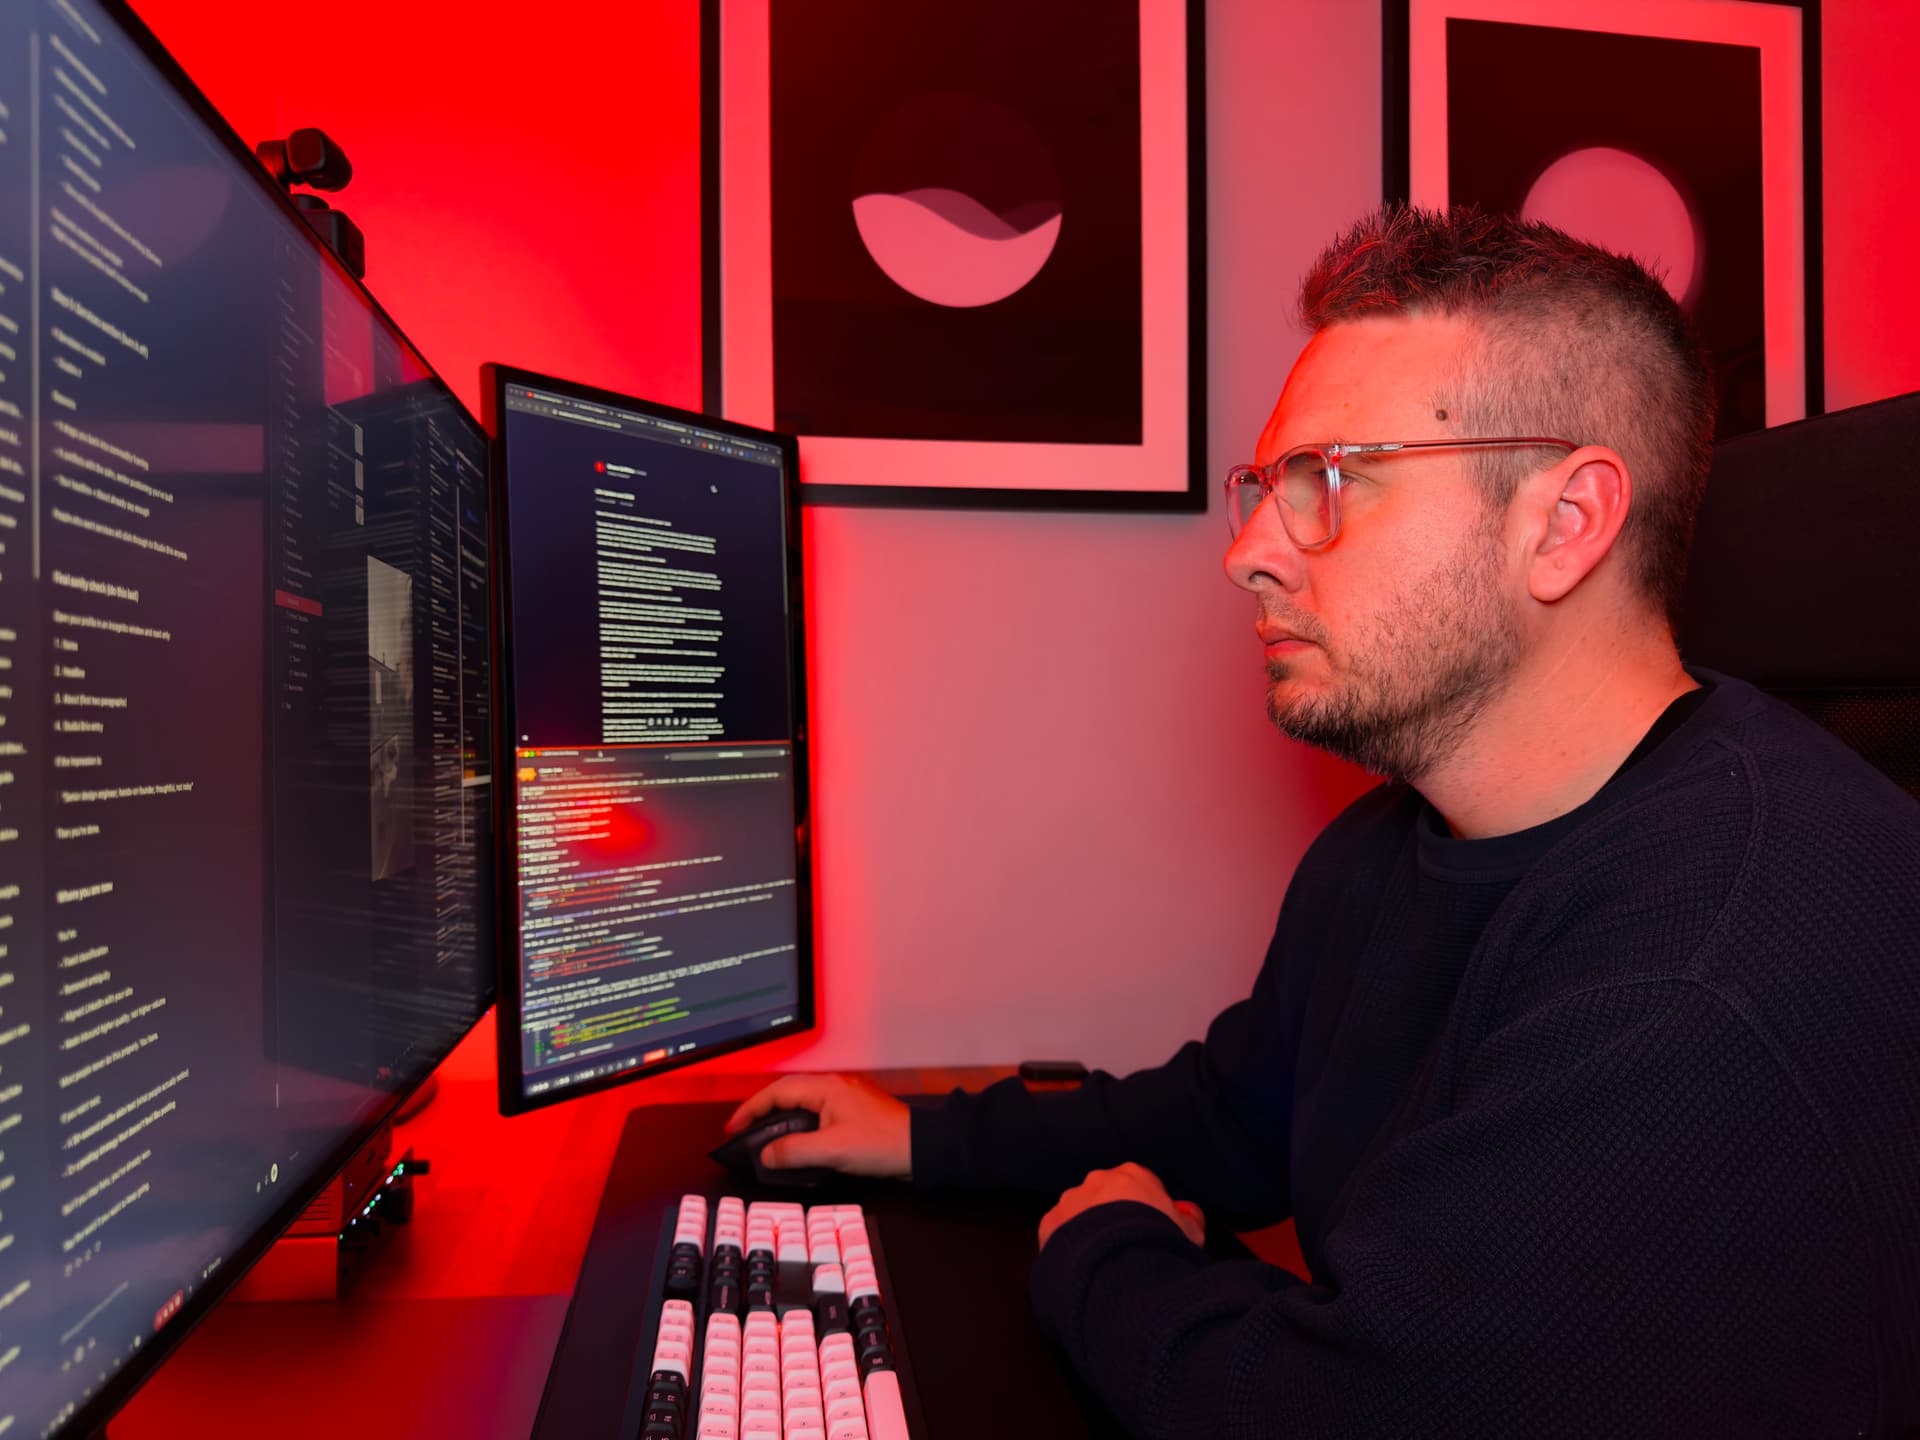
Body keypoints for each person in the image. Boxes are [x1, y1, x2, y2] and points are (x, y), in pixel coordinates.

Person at [726, 206, 1920, 1437]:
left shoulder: (1701, 971)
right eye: (1265, 488)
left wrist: (1104, 1248)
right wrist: (927, 1137)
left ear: (1564, 524)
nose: (1249, 552)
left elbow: (1342, 1409)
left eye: (1331, 479)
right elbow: (1236, 1117)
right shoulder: (1385, 850)